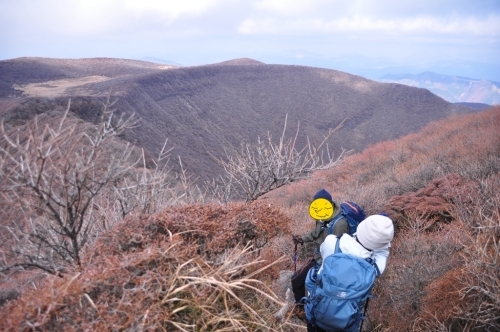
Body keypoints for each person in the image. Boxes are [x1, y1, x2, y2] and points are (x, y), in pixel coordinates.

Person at [306, 214, 394, 332]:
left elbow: (322, 253)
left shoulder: (332, 243)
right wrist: (382, 241)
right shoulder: (375, 267)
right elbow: (383, 252)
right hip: (347, 321)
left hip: (319, 310)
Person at [291, 188, 350, 314]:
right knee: (296, 279)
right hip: (319, 257)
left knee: (314, 287)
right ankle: (300, 309)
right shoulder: (321, 217)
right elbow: (316, 233)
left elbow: (339, 251)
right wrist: (302, 239)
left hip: (329, 263)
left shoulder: (340, 224)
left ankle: (311, 311)